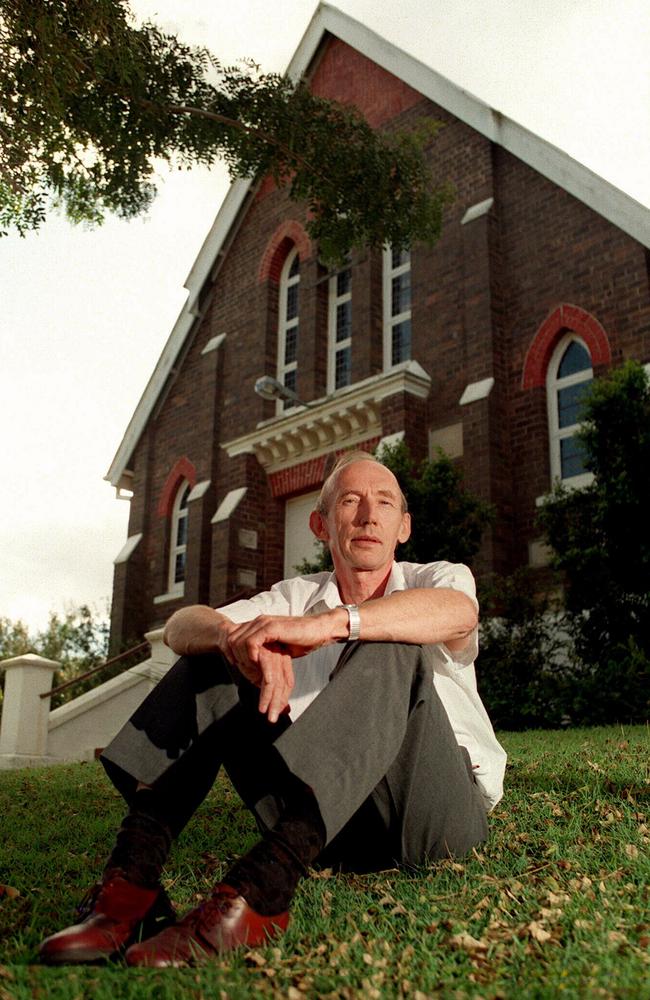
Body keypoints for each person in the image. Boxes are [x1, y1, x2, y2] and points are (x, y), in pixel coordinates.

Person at [39, 451, 506, 968]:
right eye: (350, 502)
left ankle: (263, 889)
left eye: (385, 503)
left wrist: (327, 625)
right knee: (219, 649)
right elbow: (181, 627)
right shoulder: (295, 596)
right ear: (321, 525)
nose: (369, 515)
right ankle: (132, 890)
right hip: (333, 831)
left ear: (404, 526)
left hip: (436, 817)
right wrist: (234, 639)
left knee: (388, 635)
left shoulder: (437, 578)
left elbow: (459, 615)